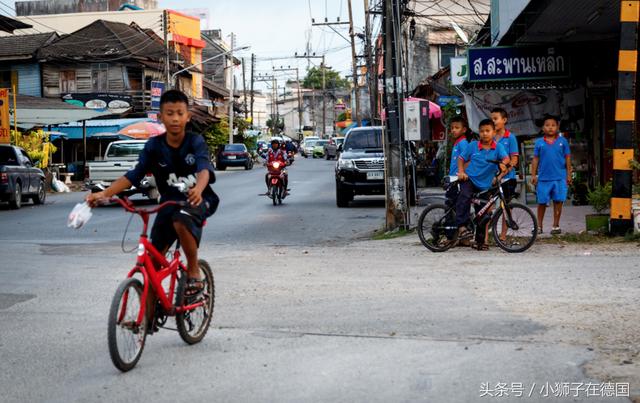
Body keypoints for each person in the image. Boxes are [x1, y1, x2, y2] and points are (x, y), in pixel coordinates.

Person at [86, 90, 219, 322]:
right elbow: (133, 176)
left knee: (181, 217)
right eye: (170, 113)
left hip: (199, 199)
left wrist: (198, 188)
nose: (175, 118)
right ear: (160, 117)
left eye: (180, 113)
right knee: (151, 268)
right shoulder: (154, 146)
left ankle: (194, 271)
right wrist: (103, 194)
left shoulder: (195, 142)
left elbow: (204, 169)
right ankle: (145, 320)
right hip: (168, 203)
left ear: (188, 116)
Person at [456, 119, 510, 250]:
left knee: (483, 213)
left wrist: (503, 164)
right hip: (470, 180)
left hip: (485, 186)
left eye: (488, 131)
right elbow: (461, 158)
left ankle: (480, 242)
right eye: (482, 131)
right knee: (464, 196)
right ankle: (462, 227)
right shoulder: (473, 145)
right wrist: (462, 172)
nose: (484, 133)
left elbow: (506, 158)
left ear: (494, 132)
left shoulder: (498, 147)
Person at [531, 114, 572, 235]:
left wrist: (569, 174)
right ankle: (539, 226)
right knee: (541, 202)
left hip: (560, 177)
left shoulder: (563, 141)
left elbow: (568, 158)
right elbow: (535, 159)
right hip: (543, 178)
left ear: (557, 127)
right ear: (543, 128)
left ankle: (556, 225)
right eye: (547, 125)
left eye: (553, 125)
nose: (550, 128)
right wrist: (533, 175)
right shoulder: (539, 143)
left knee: (558, 201)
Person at [491, 107, 520, 240]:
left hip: (508, 178)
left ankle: (502, 236)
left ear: (504, 120)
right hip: (491, 178)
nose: (493, 121)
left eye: (496, 119)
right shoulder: (489, 137)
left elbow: (514, 160)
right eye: (492, 119)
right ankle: (485, 236)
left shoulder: (511, 137)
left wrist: (502, 175)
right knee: (488, 206)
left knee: (506, 207)